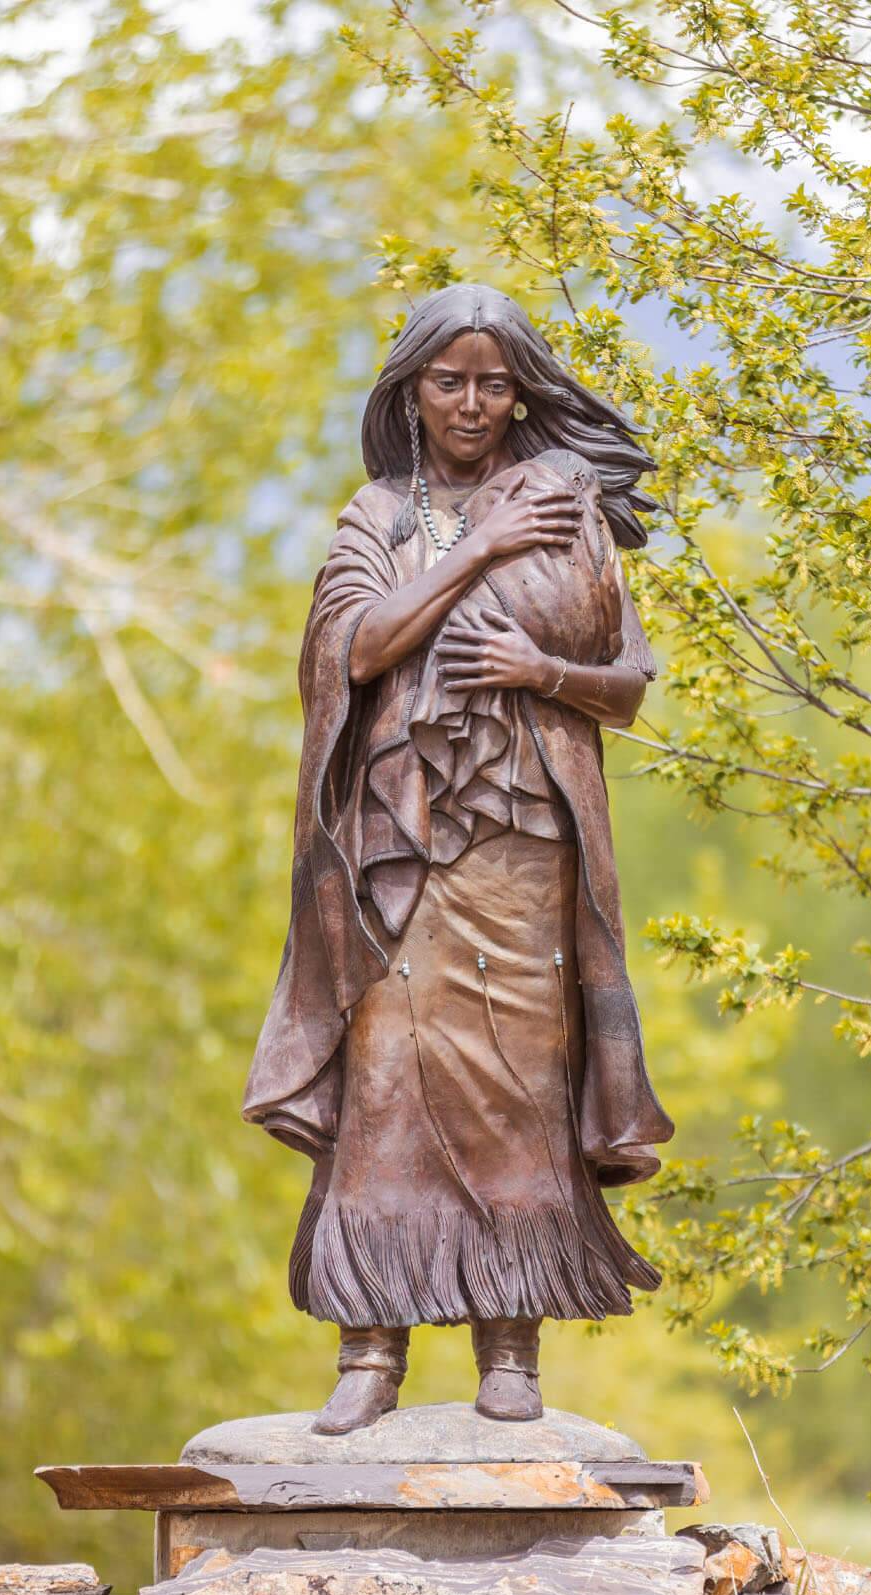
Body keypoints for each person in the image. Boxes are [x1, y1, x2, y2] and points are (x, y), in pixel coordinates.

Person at [243, 283, 676, 1435]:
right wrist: (476, 547)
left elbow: (628, 685)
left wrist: (541, 673)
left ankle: (511, 1345)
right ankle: (369, 1348)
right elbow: (354, 646)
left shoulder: (570, 513)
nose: (473, 403)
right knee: (385, 1079)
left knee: (521, 1079)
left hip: (527, 838)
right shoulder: (377, 515)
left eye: (493, 382)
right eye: (449, 381)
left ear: (519, 389)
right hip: (397, 844)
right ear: (411, 390)